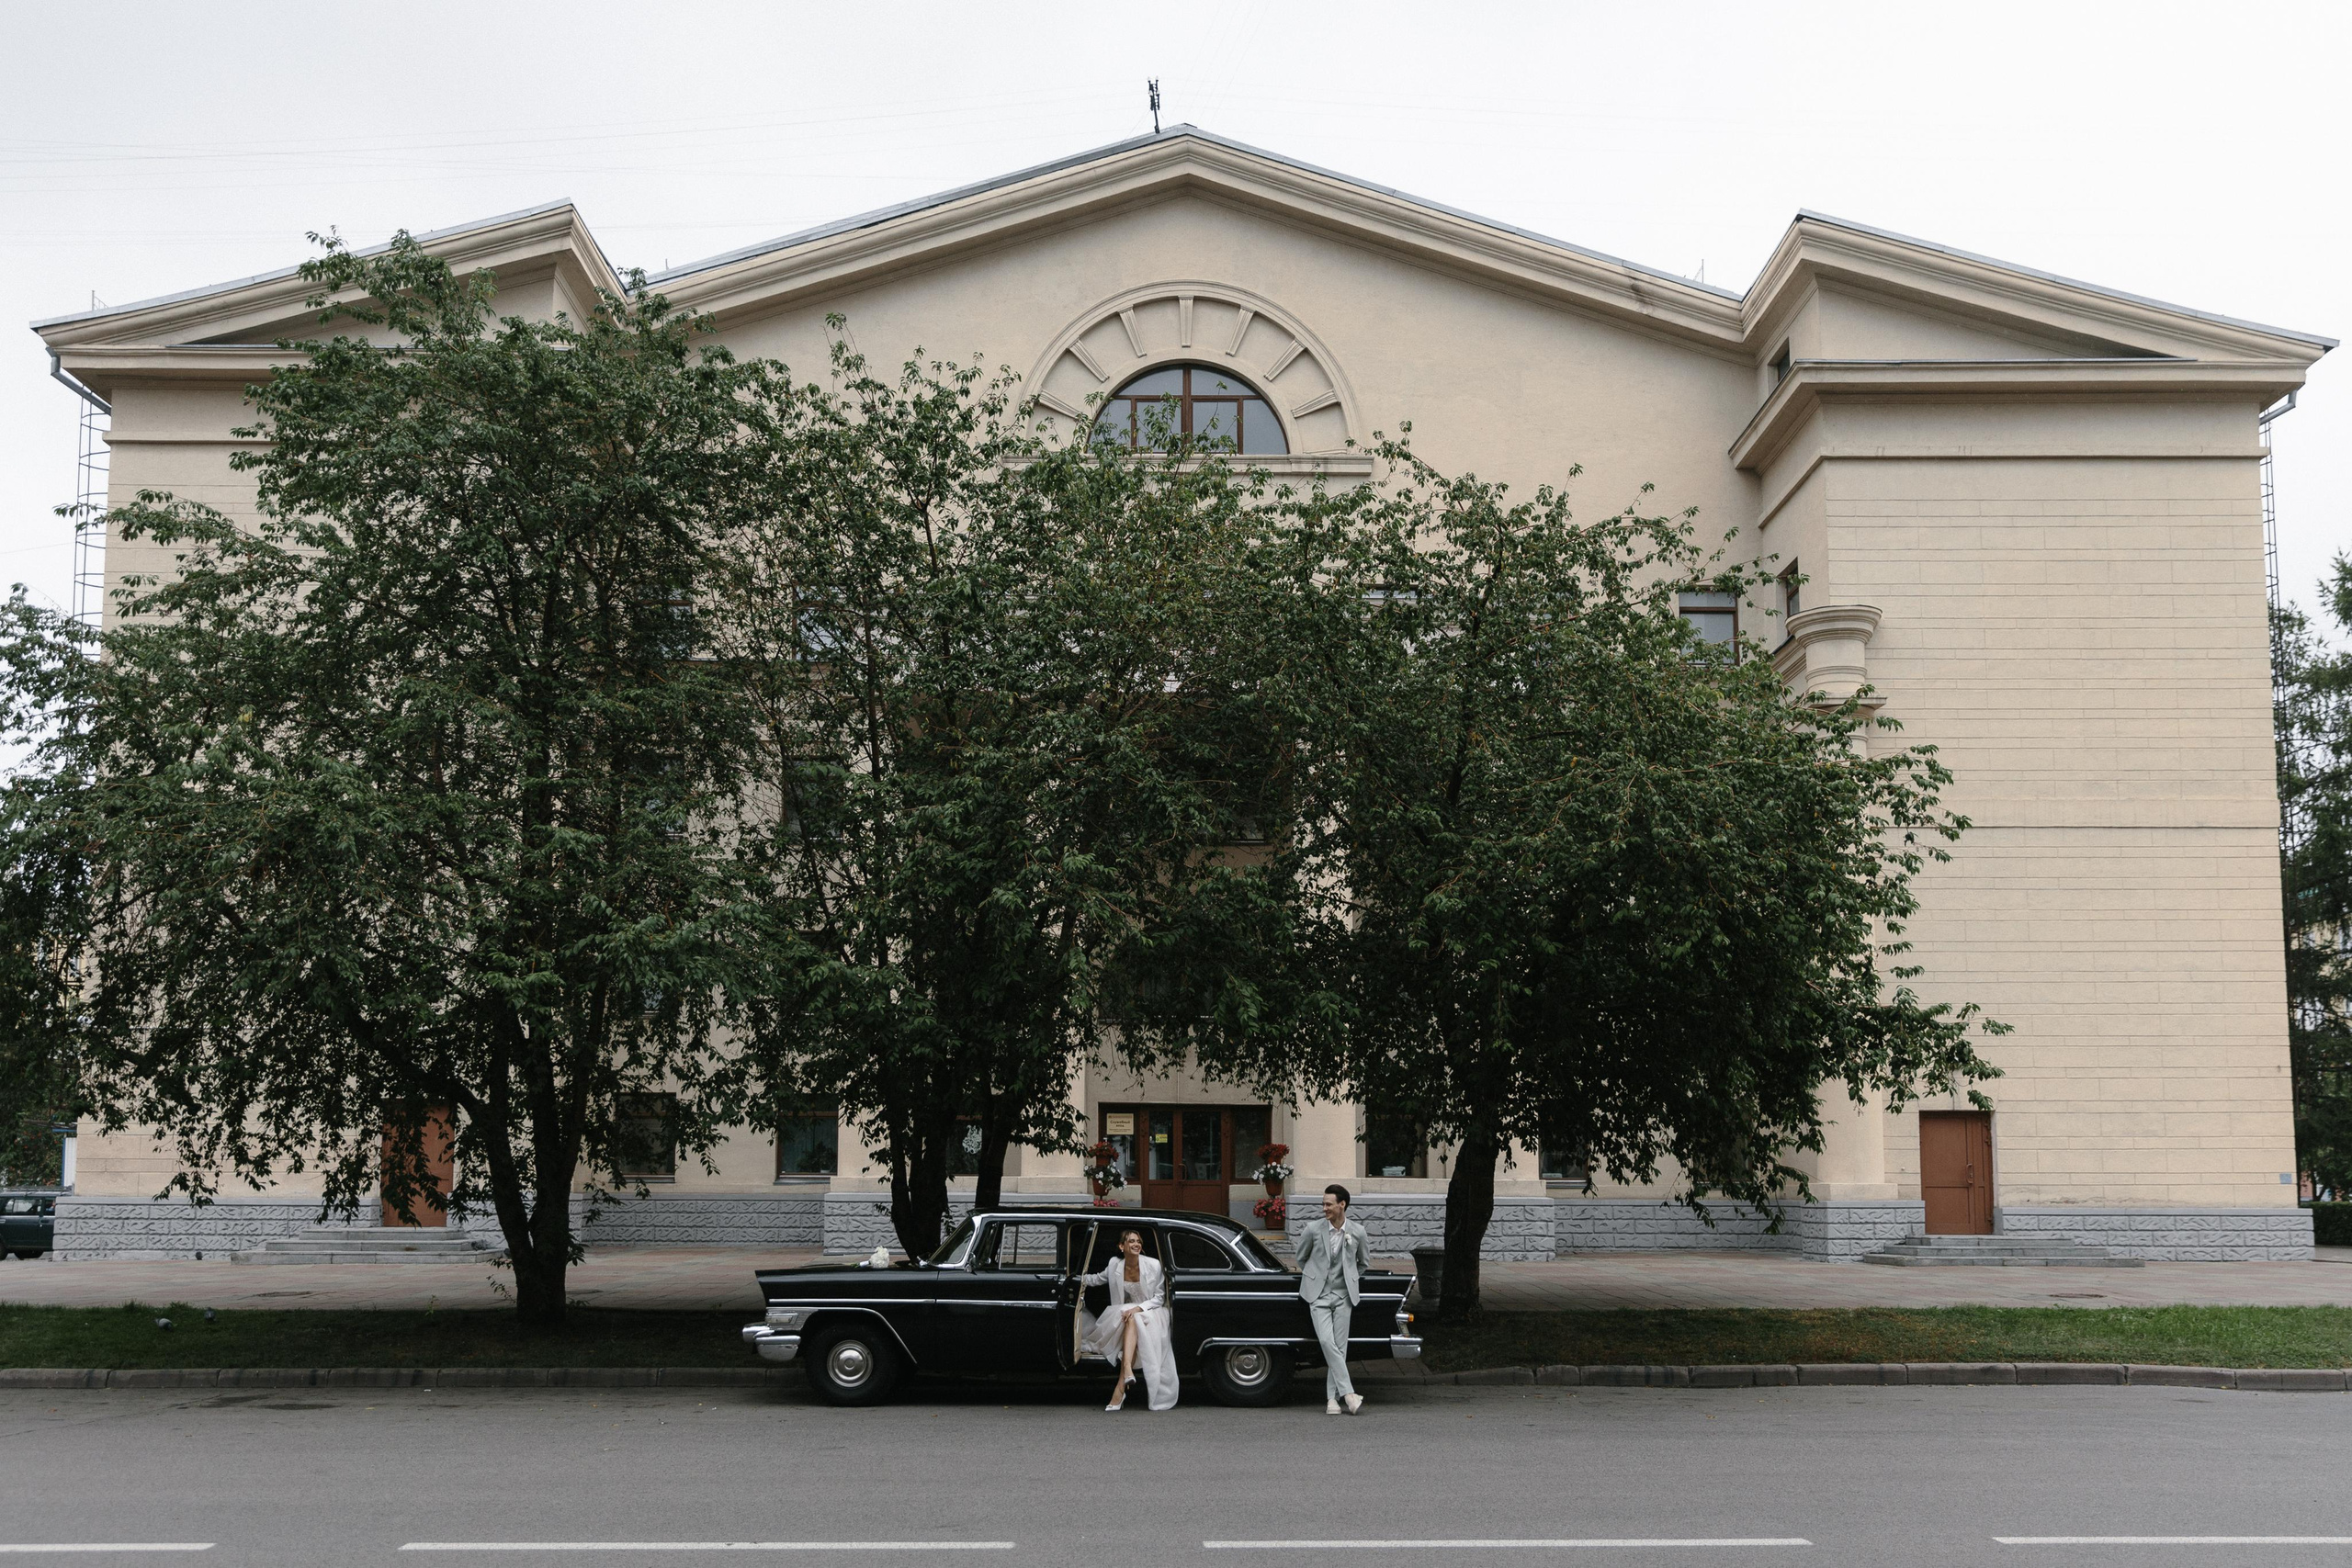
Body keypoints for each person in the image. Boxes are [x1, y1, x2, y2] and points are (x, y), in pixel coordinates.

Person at [1078, 1227, 1177, 1411]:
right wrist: (1076, 1279)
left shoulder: (1153, 1265)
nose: (1136, 1244)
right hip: (1127, 1315)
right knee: (1130, 1317)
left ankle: (1121, 1384)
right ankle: (1126, 1377)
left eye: (1138, 1241)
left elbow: (1159, 1298)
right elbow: (1098, 1279)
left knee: (1132, 1315)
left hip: (1152, 1311)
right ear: (1121, 1246)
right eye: (1131, 1241)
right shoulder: (1115, 1264)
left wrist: (1138, 1308)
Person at [1295, 1182, 1370, 1415]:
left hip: (1344, 1295)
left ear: (1342, 1205)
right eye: (1323, 1204)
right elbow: (1301, 1257)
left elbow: (1363, 1263)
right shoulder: (1313, 1229)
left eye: (1328, 1204)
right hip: (1318, 1295)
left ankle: (1331, 1401)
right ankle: (1348, 1394)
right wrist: (1315, 1277)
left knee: (1339, 1347)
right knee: (1327, 1343)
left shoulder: (1357, 1232)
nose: (1324, 1208)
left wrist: (1348, 1279)